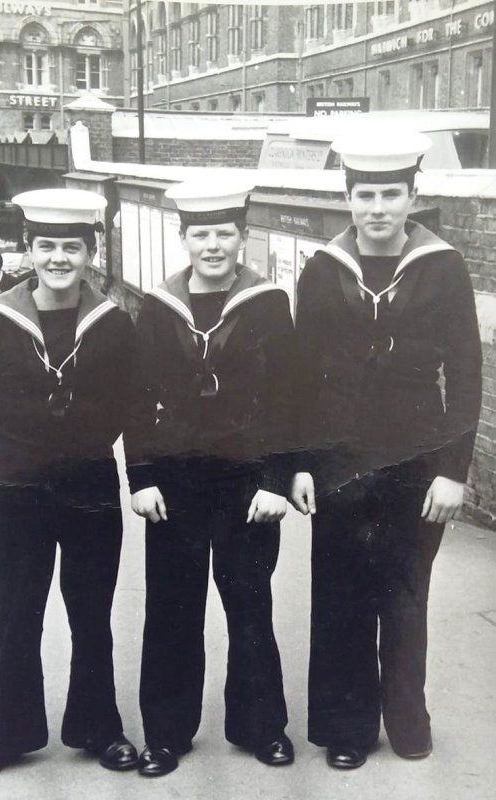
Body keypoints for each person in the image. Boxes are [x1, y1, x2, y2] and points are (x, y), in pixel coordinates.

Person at [290, 126, 482, 770]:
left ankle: (406, 719)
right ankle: (348, 728)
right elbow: (301, 377)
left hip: (418, 463)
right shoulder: (321, 271)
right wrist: (304, 466)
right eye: (365, 194)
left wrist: (453, 471)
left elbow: (465, 373)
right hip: (341, 464)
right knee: (341, 596)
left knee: (405, 594)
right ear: (348, 198)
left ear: (412, 197)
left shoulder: (443, 267)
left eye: (390, 195)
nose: (377, 208)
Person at [124, 178, 296, 777]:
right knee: (172, 606)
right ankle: (166, 734)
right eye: (201, 234)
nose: (214, 245)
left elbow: (287, 399)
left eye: (225, 233)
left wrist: (277, 479)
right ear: (184, 238)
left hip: (247, 483)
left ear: (243, 237)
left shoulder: (269, 304)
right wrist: (140, 475)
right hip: (174, 482)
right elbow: (138, 398)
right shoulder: (158, 305)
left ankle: (260, 727)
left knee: (249, 603)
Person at [0, 188, 139, 784]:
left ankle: (99, 728)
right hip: (17, 487)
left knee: (91, 613)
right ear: (29, 250)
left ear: (91, 252)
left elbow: (126, 402)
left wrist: (80, 448)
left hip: (90, 484)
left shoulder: (113, 322)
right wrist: (20, 454)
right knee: (17, 613)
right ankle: (4, 736)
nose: (59, 258)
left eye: (72, 246)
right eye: (47, 246)